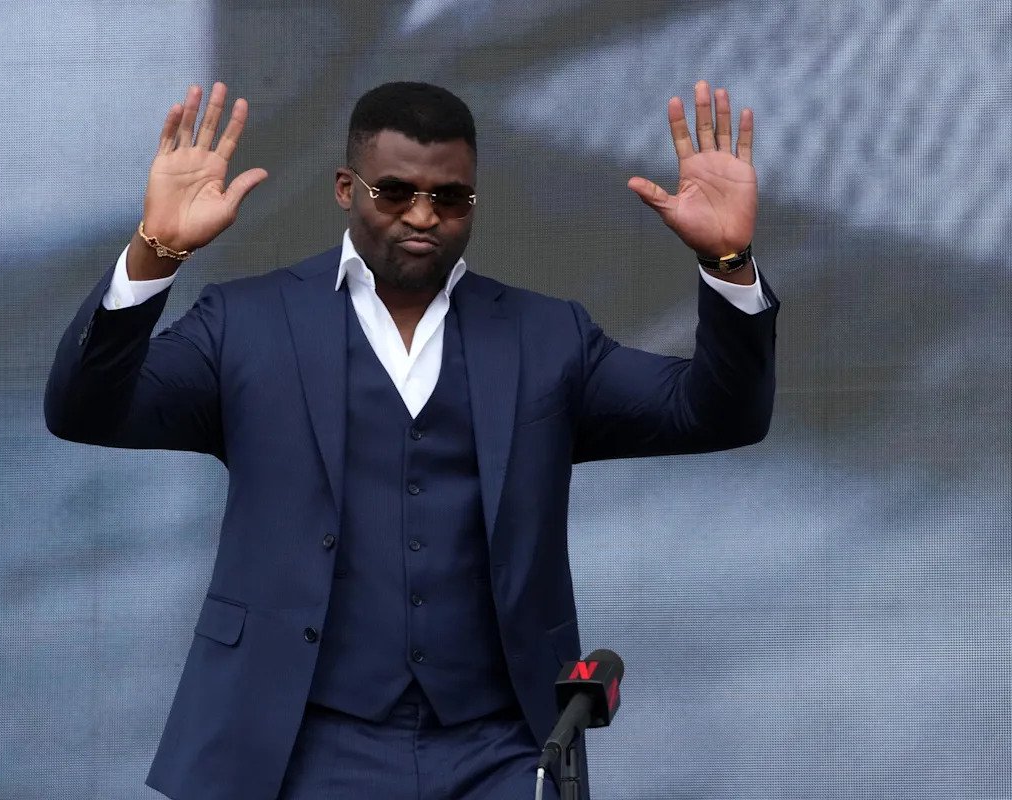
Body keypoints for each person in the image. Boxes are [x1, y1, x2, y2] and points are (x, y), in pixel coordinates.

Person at [45, 79, 777, 800]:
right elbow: (86, 411)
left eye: (450, 198)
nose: (423, 216)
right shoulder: (246, 323)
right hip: (299, 741)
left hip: (502, 744)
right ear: (346, 188)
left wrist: (728, 264)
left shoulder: (549, 336)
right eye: (394, 192)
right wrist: (156, 255)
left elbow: (716, 414)